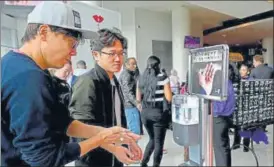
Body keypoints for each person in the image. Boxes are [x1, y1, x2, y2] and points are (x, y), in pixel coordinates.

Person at [1, 2, 141, 166]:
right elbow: (45, 159)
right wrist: (100, 139)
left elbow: (62, 122)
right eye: (71, 43)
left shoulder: (12, 63)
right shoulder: (29, 77)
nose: (74, 52)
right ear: (44, 32)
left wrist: (110, 134)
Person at [69, 28, 141, 166]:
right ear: (96, 55)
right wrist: (114, 149)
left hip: (114, 158)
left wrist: (128, 141)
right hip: (94, 160)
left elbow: (117, 121)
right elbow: (80, 130)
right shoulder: (88, 82)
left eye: (121, 53)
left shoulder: (114, 80)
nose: (118, 59)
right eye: (112, 53)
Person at [137, 56, 173, 167]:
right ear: (158, 65)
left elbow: (138, 98)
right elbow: (169, 97)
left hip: (145, 114)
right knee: (158, 143)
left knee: (152, 139)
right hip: (157, 114)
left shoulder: (142, 78)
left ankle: (143, 163)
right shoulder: (162, 78)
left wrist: (141, 105)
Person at [211, 64, 236, 167]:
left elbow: (219, 107)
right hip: (226, 118)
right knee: (224, 147)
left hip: (219, 119)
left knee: (219, 148)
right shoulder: (228, 82)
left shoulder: (220, 84)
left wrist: (212, 110)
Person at [119, 57, 141, 135]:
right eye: (133, 64)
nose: (135, 66)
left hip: (129, 105)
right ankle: (132, 147)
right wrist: (136, 103)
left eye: (135, 64)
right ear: (127, 65)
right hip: (129, 105)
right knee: (134, 130)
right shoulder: (126, 75)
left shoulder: (129, 74)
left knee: (133, 129)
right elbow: (127, 91)